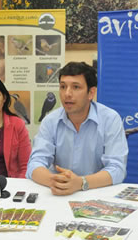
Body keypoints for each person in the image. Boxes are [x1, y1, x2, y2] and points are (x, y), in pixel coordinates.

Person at [26, 62, 128, 195]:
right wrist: (55, 181)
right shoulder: (50, 121)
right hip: (58, 193)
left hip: (96, 192)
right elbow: (35, 163)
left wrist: (80, 183)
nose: (67, 94)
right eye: (63, 87)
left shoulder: (110, 119)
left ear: (91, 93)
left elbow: (117, 169)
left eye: (75, 87)